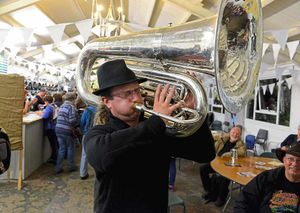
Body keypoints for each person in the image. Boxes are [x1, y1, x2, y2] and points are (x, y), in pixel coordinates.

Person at [83, 59, 216, 213]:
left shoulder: (158, 129)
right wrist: (157, 121)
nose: (137, 98)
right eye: (128, 93)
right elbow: (103, 156)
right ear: (107, 102)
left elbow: (204, 154)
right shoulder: (99, 133)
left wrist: (195, 114)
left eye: (137, 90)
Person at [234, 143, 300, 213]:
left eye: (299, 160)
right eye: (291, 159)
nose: (295, 164)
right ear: (284, 160)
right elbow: (244, 201)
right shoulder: (266, 177)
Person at [200, 126, 246, 207]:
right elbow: (214, 147)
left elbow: (242, 152)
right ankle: (209, 190)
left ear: (240, 135)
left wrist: (227, 154)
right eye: (233, 132)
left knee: (222, 176)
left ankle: (222, 197)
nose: (235, 135)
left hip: (230, 167)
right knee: (203, 169)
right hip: (217, 162)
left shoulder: (241, 144)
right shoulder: (223, 139)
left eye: (237, 134)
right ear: (230, 132)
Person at [55, 92, 79, 174]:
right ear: (72, 99)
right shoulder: (71, 107)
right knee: (70, 148)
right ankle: (71, 166)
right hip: (67, 130)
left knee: (61, 149)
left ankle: (58, 167)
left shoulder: (62, 106)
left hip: (58, 129)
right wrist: (77, 124)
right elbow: (72, 120)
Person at [36, 95, 58, 164]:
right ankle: (54, 156)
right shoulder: (54, 106)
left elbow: (45, 116)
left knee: (53, 143)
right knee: (54, 143)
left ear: (46, 101)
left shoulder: (49, 107)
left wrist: (40, 114)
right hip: (54, 126)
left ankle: (54, 158)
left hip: (50, 127)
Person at [79, 104, 96, 180]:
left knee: (84, 154)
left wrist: (83, 131)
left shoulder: (87, 110)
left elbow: (82, 122)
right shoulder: (102, 108)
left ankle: (83, 173)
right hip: (98, 133)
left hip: (87, 133)